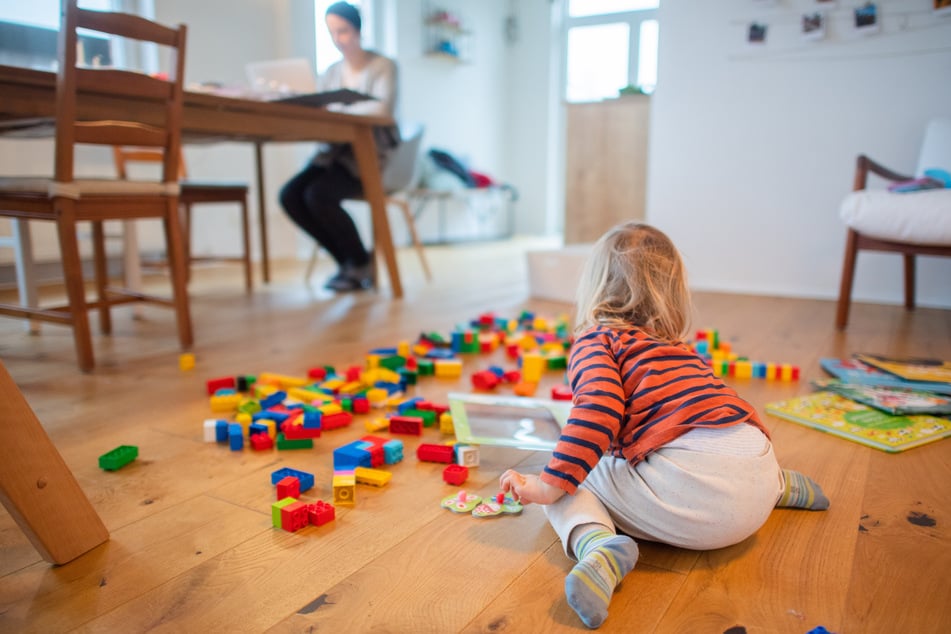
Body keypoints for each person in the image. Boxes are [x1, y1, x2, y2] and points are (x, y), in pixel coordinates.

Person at [500, 222, 829, 630]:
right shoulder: (679, 349)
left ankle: (598, 547)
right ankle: (782, 484)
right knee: (693, 435)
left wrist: (549, 486)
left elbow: (598, 410)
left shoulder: (595, 341)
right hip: (758, 470)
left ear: (595, 289)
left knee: (569, 474)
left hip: (700, 502)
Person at [279, 2, 398, 292]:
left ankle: (358, 262)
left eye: (343, 31)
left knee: (318, 195)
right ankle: (350, 262)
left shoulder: (383, 66)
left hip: (366, 155)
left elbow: (382, 110)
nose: (338, 39)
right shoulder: (331, 72)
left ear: (357, 29)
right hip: (330, 154)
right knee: (291, 196)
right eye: (332, 32)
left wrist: (340, 111)